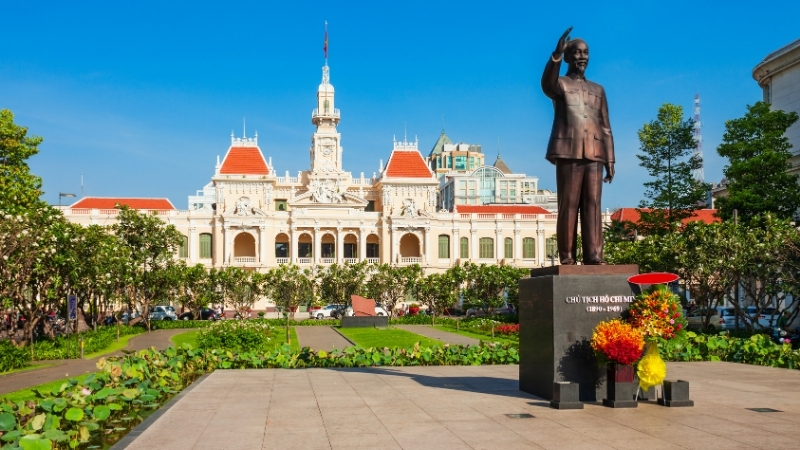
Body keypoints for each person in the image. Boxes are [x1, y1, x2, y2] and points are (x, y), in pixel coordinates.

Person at [541, 27, 615, 265]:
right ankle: (567, 256)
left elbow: (605, 127)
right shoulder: (561, 84)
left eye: (586, 52)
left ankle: (594, 255)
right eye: (577, 53)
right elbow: (547, 85)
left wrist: (610, 160)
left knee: (593, 205)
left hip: (595, 154)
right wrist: (556, 56)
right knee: (569, 204)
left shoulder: (598, 90)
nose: (582, 57)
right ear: (569, 56)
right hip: (568, 152)